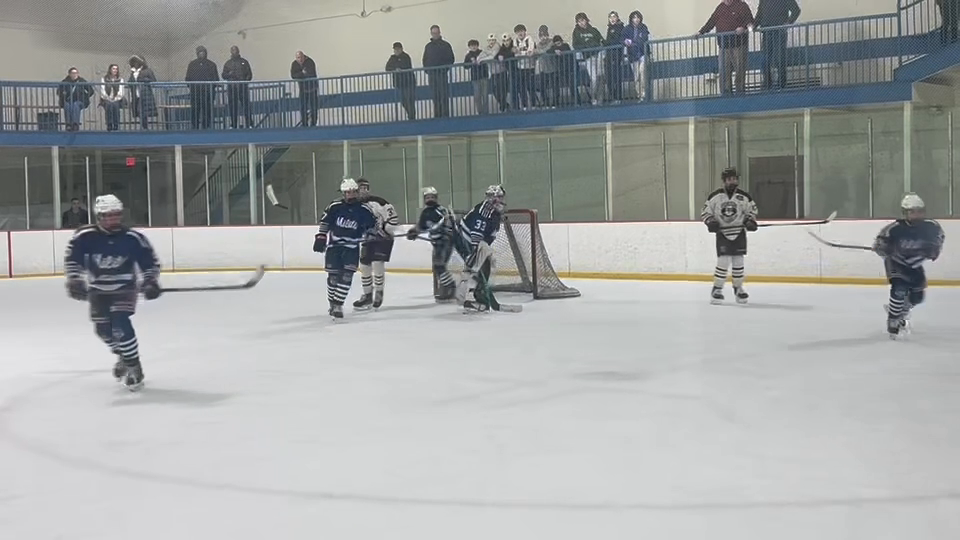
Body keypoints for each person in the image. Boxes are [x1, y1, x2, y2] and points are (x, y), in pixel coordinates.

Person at [63, 194, 162, 391]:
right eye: (107, 216)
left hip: (124, 289)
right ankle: (124, 357)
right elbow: (73, 259)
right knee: (103, 330)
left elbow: (149, 263)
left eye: (116, 215)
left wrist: (150, 281)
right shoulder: (85, 236)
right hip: (98, 290)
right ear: (98, 216)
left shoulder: (132, 238)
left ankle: (134, 366)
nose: (112, 219)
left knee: (120, 323)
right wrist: (75, 279)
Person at [873, 193, 945, 339]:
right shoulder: (894, 228)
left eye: (919, 211)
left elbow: (938, 240)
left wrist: (932, 250)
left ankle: (902, 311)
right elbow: (880, 243)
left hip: (915, 264)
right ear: (905, 213)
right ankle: (893, 319)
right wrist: (883, 248)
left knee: (918, 297)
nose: (916, 214)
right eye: (912, 211)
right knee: (899, 288)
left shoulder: (931, 226)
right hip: (896, 262)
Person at [313, 178, 379, 319]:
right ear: (343, 193)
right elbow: (325, 222)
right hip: (334, 247)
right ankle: (332, 302)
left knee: (347, 276)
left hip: (351, 248)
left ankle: (338, 304)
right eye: (348, 193)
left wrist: (372, 234)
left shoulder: (364, 210)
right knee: (333, 278)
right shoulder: (335, 206)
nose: (351, 195)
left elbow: (372, 226)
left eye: (353, 192)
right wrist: (321, 236)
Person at [700, 167, 758, 304]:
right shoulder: (715, 196)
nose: (733, 181)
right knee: (723, 261)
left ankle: (738, 289)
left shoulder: (744, 197)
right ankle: (717, 289)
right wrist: (710, 221)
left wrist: (750, 221)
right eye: (730, 179)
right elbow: (705, 212)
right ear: (724, 181)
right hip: (723, 233)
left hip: (739, 233)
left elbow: (752, 211)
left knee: (738, 261)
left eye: (734, 179)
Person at [454, 185, 506, 312]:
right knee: (480, 264)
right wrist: (476, 256)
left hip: (472, 240)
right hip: (464, 239)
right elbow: (476, 239)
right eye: (497, 197)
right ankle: (469, 293)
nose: (500, 200)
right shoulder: (484, 212)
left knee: (485, 263)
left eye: (501, 197)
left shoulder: (494, 213)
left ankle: (477, 294)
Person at [353, 178, 400, 310]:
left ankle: (379, 292)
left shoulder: (379, 202)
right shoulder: (354, 205)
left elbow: (393, 218)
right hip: (367, 239)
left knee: (377, 263)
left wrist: (386, 229)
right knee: (364, 265)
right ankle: (367, 296)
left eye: (365, 188)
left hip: (382, 238)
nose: (363, 191)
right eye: (360, 188)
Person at [406, 187, 457, 302]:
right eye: (427, 197)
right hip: (436, 243)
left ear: (436, 198)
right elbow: (421, 226)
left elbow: (447, 223)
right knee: (437, 267)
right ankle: (447, 287)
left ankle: (450, 287)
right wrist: (413, 232)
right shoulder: (425, 212)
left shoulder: (441, 210)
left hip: (445, 241)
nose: (430, 199)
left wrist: (441, 231)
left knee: (439, 265)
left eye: (432, 197)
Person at [698, 0, 755, 95]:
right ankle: (725, 93)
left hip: (739, 46)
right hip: (723, 46)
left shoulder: (742, 6)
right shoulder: (720, 8)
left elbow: (751, 24)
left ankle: (740, 92)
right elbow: (711, 22)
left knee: (740, 70)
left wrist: (744, 28)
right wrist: (701, 32)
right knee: (723, 71)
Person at [754, 0, 801, 90]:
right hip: (766, 32)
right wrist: (754, 25)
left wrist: (788, 23)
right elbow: (760, 14)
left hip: (779, 31)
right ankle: (767, 83)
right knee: (765, 59)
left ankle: (781, 83)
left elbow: (796, 10)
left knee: (779, 57)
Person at [571, 12, 605, 104]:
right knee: (593, 78)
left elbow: (601, 41)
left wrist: (594, 45)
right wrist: (588, 47)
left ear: (586, 20)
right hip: (587, 58)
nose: (581, 23)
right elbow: (575, 45)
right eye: (579, 21)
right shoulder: (576, 32)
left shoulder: (594, 30)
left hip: (598, 55)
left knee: (600, 77)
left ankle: (600, 99)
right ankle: (593, 98)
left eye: (582, 20)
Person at [422, 25, 455, 118]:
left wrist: (444, 69)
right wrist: (428, 71)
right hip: (432, 75)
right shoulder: (428, 46)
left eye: (437, 33)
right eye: (433, 33)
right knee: (435, 96)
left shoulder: (446, 45)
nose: (435, 35)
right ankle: (437, 115)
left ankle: (445, 115)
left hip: (442, 74)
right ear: (431, 34)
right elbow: (425, 59)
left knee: (444, 95)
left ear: (439, 33)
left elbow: (451, 58)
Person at [185, 46, 220, 129]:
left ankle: (206, 126)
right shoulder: (192, 64)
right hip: (195, 92)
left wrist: (211, 88)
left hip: (208, 93)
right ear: (197, 54)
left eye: (203, 52)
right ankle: (195, 126)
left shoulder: (211, 64)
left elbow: (215, 79)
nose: (202, 54)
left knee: (207, 110)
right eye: (200, 52)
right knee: (195, 110)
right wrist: (192, 87)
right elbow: (188, 78)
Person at [222, 45, 254, 128]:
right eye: (232, 50)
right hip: (232, 88)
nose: (234, 52)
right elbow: (223, 75)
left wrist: (244, 81)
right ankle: (233, 124)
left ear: (238, 51)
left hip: (242, 88)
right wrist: (229, 74)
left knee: (246, 106)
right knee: (233, 107)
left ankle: (249, 123)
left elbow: (249, 74)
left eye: (235, 50)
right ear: (230, 52)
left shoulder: (244, 62)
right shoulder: (228, 63)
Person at [623, 11, 651, 100]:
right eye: (634, 17)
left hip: (643, 53)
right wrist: (625, 42)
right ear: (631, 19)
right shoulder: (627, 29)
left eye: (638, 17)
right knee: (636, 77)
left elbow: (644, 38)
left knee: (642, 72)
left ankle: (644, 93)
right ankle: (639, 95)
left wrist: (633, 42)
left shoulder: (643, 27)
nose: (636, 19)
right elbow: (622, 39)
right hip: (633, 55)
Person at [385, 42, 417, 120]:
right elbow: (387, 68)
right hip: (399, 83)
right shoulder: (392, 58)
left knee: (410, 100)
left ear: (401, 49)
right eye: (395, 49)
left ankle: (412, 117)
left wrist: (399, 68)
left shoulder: (406, 57)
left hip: (408, 82)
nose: (396, 51)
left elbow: (407, 66)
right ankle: (410, 115)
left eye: (398, 49)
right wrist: (395, 69)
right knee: (403, 101)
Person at [57, 67, 94, 132]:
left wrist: (85, 96)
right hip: (68, 100)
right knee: (67, 106)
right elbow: (59, 91)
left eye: (76, 73)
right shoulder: (65, 81)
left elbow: (91, 91)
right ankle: (68, 124)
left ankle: (75, 124)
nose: (74, 75)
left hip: (80, 101)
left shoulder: (82, 81)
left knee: (75, 105)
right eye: (72, 73)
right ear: (69, 74)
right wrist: (63, 94)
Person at [128, 55, 157, 130]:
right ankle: (145, 127)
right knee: (139, 111)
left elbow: (153, 81)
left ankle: (145, 127)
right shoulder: (133, 72)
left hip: (145, 94)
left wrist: (143, 80)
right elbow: (129, 82)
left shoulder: (148, 70)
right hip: (136, 94)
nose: (135, 64)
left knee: (142, 111)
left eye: (136, 62)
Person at [291, 51, 320, 127]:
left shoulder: (310, 62)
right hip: (302, 89)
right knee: (303, 107)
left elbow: (310, 74)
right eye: (298, 58)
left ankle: (313, 123)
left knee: (313, 107)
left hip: (312, 88)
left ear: (304, 56)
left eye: (301, 57)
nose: (300, 59)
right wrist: (302, 73)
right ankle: (304, 123)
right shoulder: (294, 64)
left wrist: (301, 74)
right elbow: (293, 75)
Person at [604, 11, 626, 103]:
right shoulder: (609, 28)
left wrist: (605, 43)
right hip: (609, 56)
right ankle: (613, 97)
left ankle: (618, 97)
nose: (612, 19)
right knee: (609, 78)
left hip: (616, 56)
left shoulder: (620, 27)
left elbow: (617, 40)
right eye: (610, 17)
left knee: (616, 78)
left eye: (614, 17)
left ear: (617, 18)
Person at [99, 64, 125, 131]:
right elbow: (102, 90)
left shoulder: (120, 79)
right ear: (110, 70)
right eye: (113, 69)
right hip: (107, 99)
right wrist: (108, 98)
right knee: (109, 105)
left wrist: (116, 98)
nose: (115, 70)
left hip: (117, 99)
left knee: (115, 105)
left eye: (116, 69)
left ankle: (116, 124)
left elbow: (121, 91)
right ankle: (109, 124)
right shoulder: (104, 79)